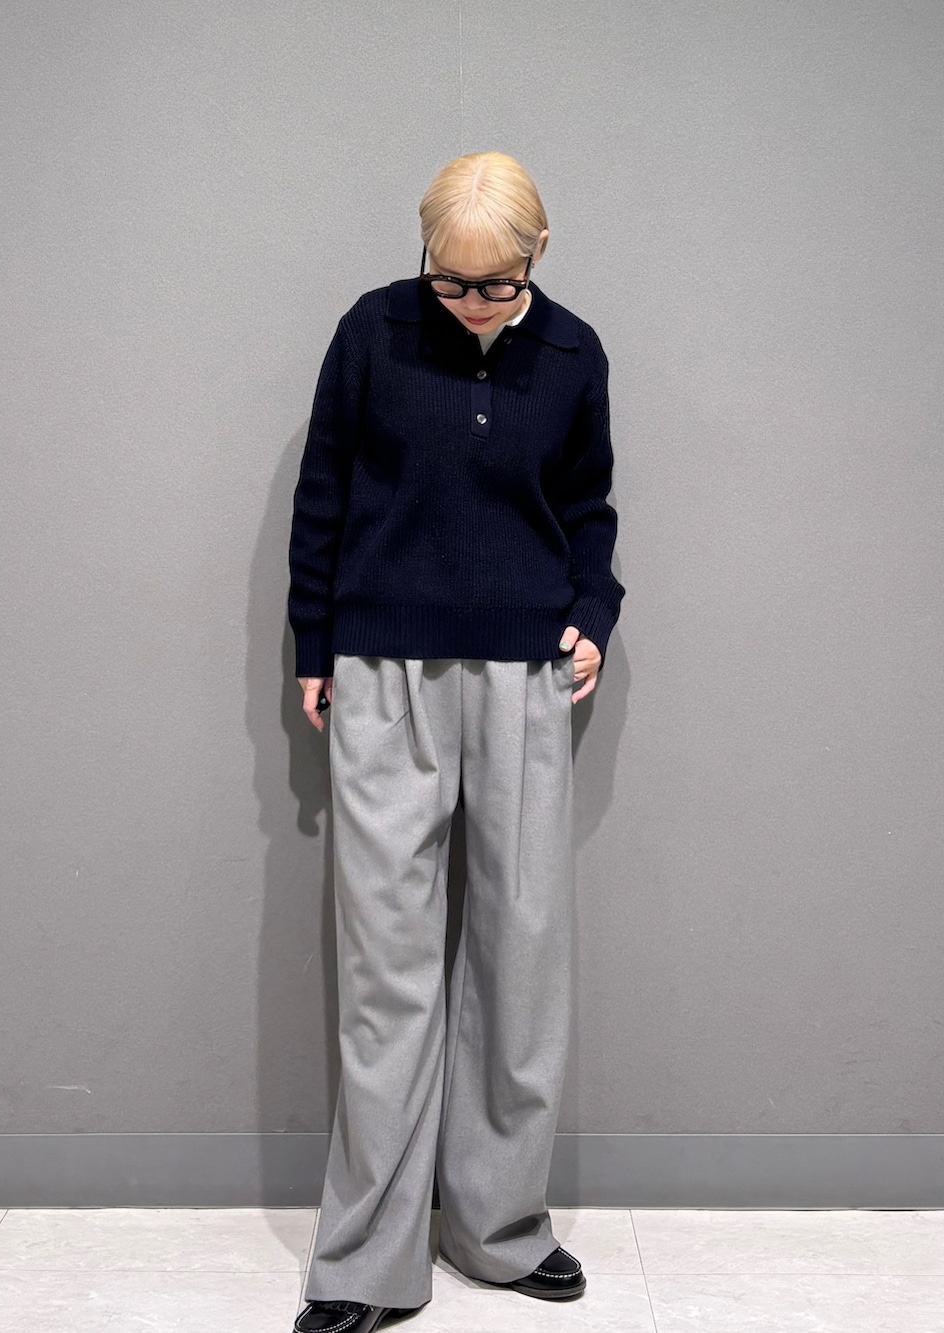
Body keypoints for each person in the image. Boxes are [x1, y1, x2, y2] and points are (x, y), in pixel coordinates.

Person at [287, 151, 624, 1333]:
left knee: (520, 962)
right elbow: (324, 491)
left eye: (495, 285)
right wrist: (315, 642)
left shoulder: (573, 353)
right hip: (385, 671)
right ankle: (366, 1258)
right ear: (425, 255)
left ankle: (499, 1226)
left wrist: (593, 611)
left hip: (526, 674)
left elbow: (587, 505)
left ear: (537, 255)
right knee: (387, 971)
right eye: (449, 281)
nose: (471, 305)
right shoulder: (372, 333)